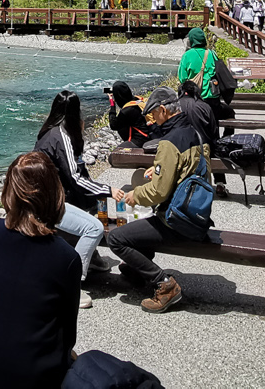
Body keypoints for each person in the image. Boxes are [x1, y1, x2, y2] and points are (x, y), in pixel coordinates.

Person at [0, 152, 79, 389]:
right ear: (55, 195)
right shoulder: (66, 257)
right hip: (33, 379)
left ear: (9, 192)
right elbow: (68, 335)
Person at [104, 88, 204, 313]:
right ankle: (136, 270)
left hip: (175, 220)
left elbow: (158, 193)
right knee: (139, 228)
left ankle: (165, 285)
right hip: (195, 213)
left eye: (153, 115)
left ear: (163, 110)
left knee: (116, 238)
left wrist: (134, 195)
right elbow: (190, 167)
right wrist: (159, 169)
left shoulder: (169, 142)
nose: (152, 121)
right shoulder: (193, 132)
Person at [34, 91, 114, 308]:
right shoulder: (61, 137)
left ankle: (91, 257)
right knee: (95, 228)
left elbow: (76, 172)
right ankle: (70, 285)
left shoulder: (47, 132)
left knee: (93, 206)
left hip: (48, 198)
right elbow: (76, 178)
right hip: (50, 205)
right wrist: (108, 190)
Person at [177, 27, 229, 117]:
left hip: (195, 98)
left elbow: (183, 78)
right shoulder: (212, 53)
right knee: (224, 116)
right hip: (212, 97)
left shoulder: (187, 55)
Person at [108, 81, 151, 146]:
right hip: (150, 134)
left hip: (141, 140)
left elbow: (113, 125)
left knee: (117, 153)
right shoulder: (137, 100)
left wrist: (112, 104)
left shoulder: (127, 111)